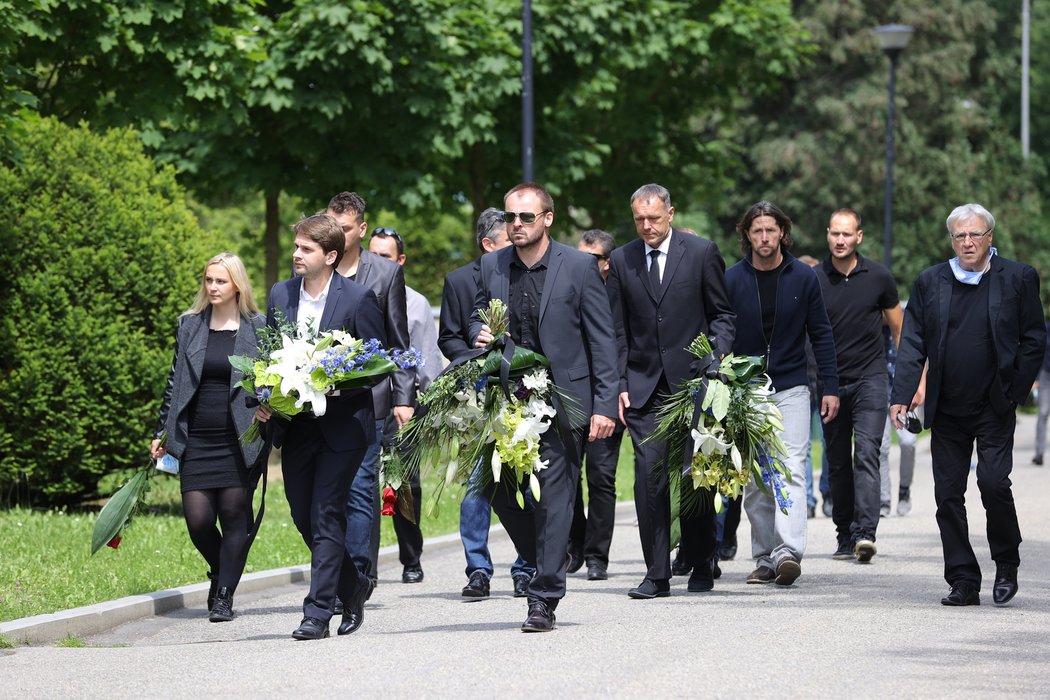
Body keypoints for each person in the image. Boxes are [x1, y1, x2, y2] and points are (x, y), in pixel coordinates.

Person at [470, 183, 618, 632]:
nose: (516, 224)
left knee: (556, 498)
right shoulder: (492, 265)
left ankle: (544, 597)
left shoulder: (579, 267)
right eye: (511, 217)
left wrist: (604, 404)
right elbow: (480, 311)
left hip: (564, 399)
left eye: (526, 217)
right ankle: (548, 553)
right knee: (494, 488)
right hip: (507, 398)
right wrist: (480, 330)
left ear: (547, 219)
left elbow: (602, 339)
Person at [891, 203, 1044, 607]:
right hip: (948, 409)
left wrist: (1016, 389)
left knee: (993, 483)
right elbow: (913, 342)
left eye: (975, 234)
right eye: (960, 235)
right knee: (947, 495)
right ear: (952, 239)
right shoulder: (931, 281)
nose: (968, 242)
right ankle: (963, 579)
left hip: (995, 403)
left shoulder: (1018, 277)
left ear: (990, 236)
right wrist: (901, 395)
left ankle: (1006, 562)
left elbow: (1034, 337)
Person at [254, 214, 385, 639]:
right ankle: (354, 584)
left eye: (305, 249)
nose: (296, 254)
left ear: (330, 256)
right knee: (301, 512)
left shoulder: (359, 299)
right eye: (295, 246)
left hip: (343, 427)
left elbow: (375, 367)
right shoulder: (280, 294)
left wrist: (329, 381)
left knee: (327, 513)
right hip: (297, 426)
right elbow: (268, 355)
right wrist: (265, 394)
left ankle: (317, 611)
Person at [606, 183, 736, 598]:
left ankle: (700, 561)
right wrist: (621, 385)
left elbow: (722, 315)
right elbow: (616, 331)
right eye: (640, 220)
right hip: (644, 390)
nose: (647, 226)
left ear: (671, 214)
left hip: (695, 385)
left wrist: (714, 360)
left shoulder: (701, 253)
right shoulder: (623, 260)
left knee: (697, 478)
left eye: (654, 218)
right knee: (649, 481)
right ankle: (656, 573)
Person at [724, 201, 839, 587]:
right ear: (746, 235)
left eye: (771, 230)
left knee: (789, 465)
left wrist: (830, 387)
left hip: (791, 385)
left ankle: (788, 550)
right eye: (757, 231)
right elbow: (721, 331)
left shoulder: (803, 278)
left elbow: (821, 333)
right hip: (748, 388)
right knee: (756, 478)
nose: (764, 237)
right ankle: (764, 557)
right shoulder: (733, 279)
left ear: (782, 233)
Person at [152, 252, 269, 623]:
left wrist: (270, 408)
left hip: (240, 436)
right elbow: (174, 383)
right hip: (197, 436)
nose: (213, 287)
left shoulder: (259, 327)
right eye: (208, 280)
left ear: (237, 284)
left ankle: (224, 595)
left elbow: (273, 381)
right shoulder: (190, 326)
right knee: (199, 521)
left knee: (236, 517)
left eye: (220, 280)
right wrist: (162, 432)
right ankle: (222, 570)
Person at [439, 207, 536, 599]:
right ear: (487, 244)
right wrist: (475, 356)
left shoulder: (528, 274)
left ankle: (526, 566)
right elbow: (447, 338)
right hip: (476, 397)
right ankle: (478, 568)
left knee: (525, 481)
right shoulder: (459, 281)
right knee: (477, 483)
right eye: (506, 239)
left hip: (525, 393)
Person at [326, 192, 414, 594]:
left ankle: (360, 576)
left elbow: (399, 341)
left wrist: (403, 397)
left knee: (362, 486)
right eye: (332, 227)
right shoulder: (316, 269)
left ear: (361, 229)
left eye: (344, 229)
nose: (337, 236)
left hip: (371, 397)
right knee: (328, 491)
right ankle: (337, 569)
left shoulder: (385, 274)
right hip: (319, 397)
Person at [814, 209, 902, 563]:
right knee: (836, 462)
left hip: (871, 378)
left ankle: (865, 533)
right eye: (834, 234)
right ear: (827, 234)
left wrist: (909, 379)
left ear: (859, 237)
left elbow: (899, 329)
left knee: (866, 452)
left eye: (846, 235)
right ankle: (844, 534)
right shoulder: (814, 278)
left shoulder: (879, 276)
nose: (840, 240)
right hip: (830, 383)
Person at [368, 226, 443, 583]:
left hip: (403, 407)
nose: (377, 262)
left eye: (385, 256)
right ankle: (364, 564)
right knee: (363, 486)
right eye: (373, 254)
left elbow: (426, 359)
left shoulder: (415, 303)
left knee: (403, 485)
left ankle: (411, 558)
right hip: (365, 402)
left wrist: (420, 406)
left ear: (400, 261)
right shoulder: (351, 294)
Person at [568, 228, 625, 581]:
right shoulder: (568, 287)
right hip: (572, 395)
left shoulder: (621, 292)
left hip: (608, 394)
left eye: (593, 258)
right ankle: (574, 546)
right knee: (568, 477)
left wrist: (619, 390)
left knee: (601, 477)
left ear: (607, 262)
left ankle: (597, 555)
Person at [878, 327, 926, 516]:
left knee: (908, 442)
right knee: (881, 448)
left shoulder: (906, 319)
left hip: (904, 394)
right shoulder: (871, 318)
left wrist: (920, 386)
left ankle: (904, 490)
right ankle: (884, 499)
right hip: (879, 392)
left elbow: (921, 353)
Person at [1031, 304, 1050, 466]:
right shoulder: (1046, 328)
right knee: (1043, 412)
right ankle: (1039, 453)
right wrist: (1035, 378)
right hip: (1046, 376)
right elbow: (1040, 354)